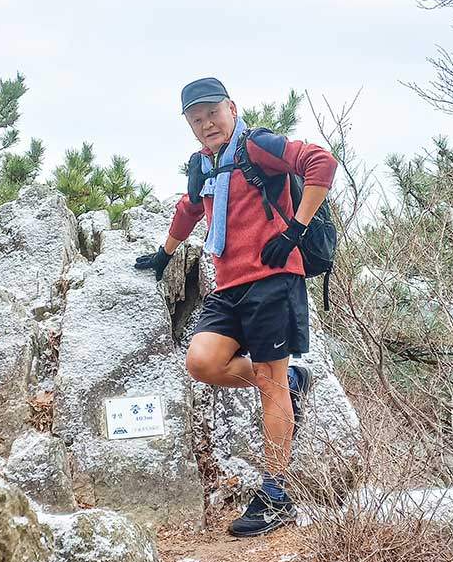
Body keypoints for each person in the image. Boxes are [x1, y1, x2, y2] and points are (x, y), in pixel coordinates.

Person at [135, 77, 338, 537]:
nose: (206, 123)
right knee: (202, 362)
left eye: (212, 113)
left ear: (231, 107)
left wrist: (296, 230)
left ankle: (276, 494)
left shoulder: (258, 146)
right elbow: (190, 207)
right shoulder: (202, 164)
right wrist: (165, 254)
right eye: (196, 119)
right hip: (228, 288)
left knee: (269, 383)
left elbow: (321, 163)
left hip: (273, 280)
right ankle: (291, 382)